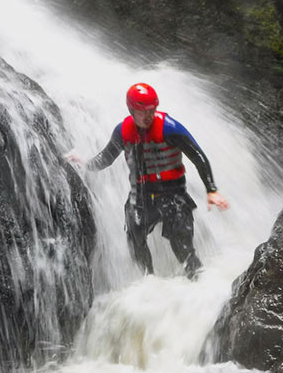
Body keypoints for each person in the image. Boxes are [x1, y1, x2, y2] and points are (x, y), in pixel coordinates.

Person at [74, 83, 229, 280]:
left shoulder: (170, 129)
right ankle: (149, 283)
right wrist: (84, 164)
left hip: (174, 195)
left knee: (182, 247)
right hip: (140, 196)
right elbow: (106, 158)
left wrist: (211, 189)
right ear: (131, 110)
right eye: (142, 111)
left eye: (151, 110)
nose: (148, 115)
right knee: (135, 238)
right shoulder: (123, 132)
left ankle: (198, 281)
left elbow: (198, 156)